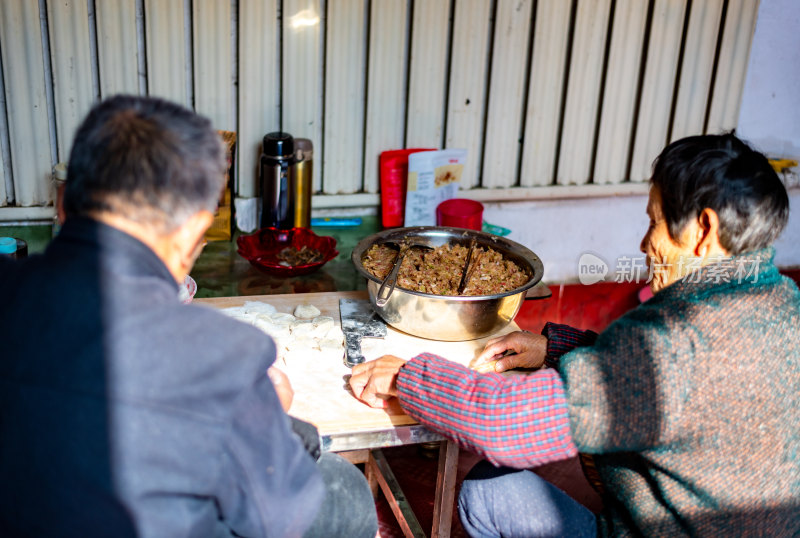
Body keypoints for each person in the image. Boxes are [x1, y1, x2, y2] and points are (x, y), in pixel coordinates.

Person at [349, 133, 800, 536]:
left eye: (654, 223)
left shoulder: (680, 344)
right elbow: (658, 389)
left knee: (489, 489)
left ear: (703, 230)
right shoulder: (785, 303)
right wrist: (556, 348)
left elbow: (504, 425)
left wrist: (409, 376)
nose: (645, 245)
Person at [0, 95, 377, 537]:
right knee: (342, 491)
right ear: (195, 230)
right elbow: (276, 515)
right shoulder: (221, 358)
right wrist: (264, 419)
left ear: (63, 201)